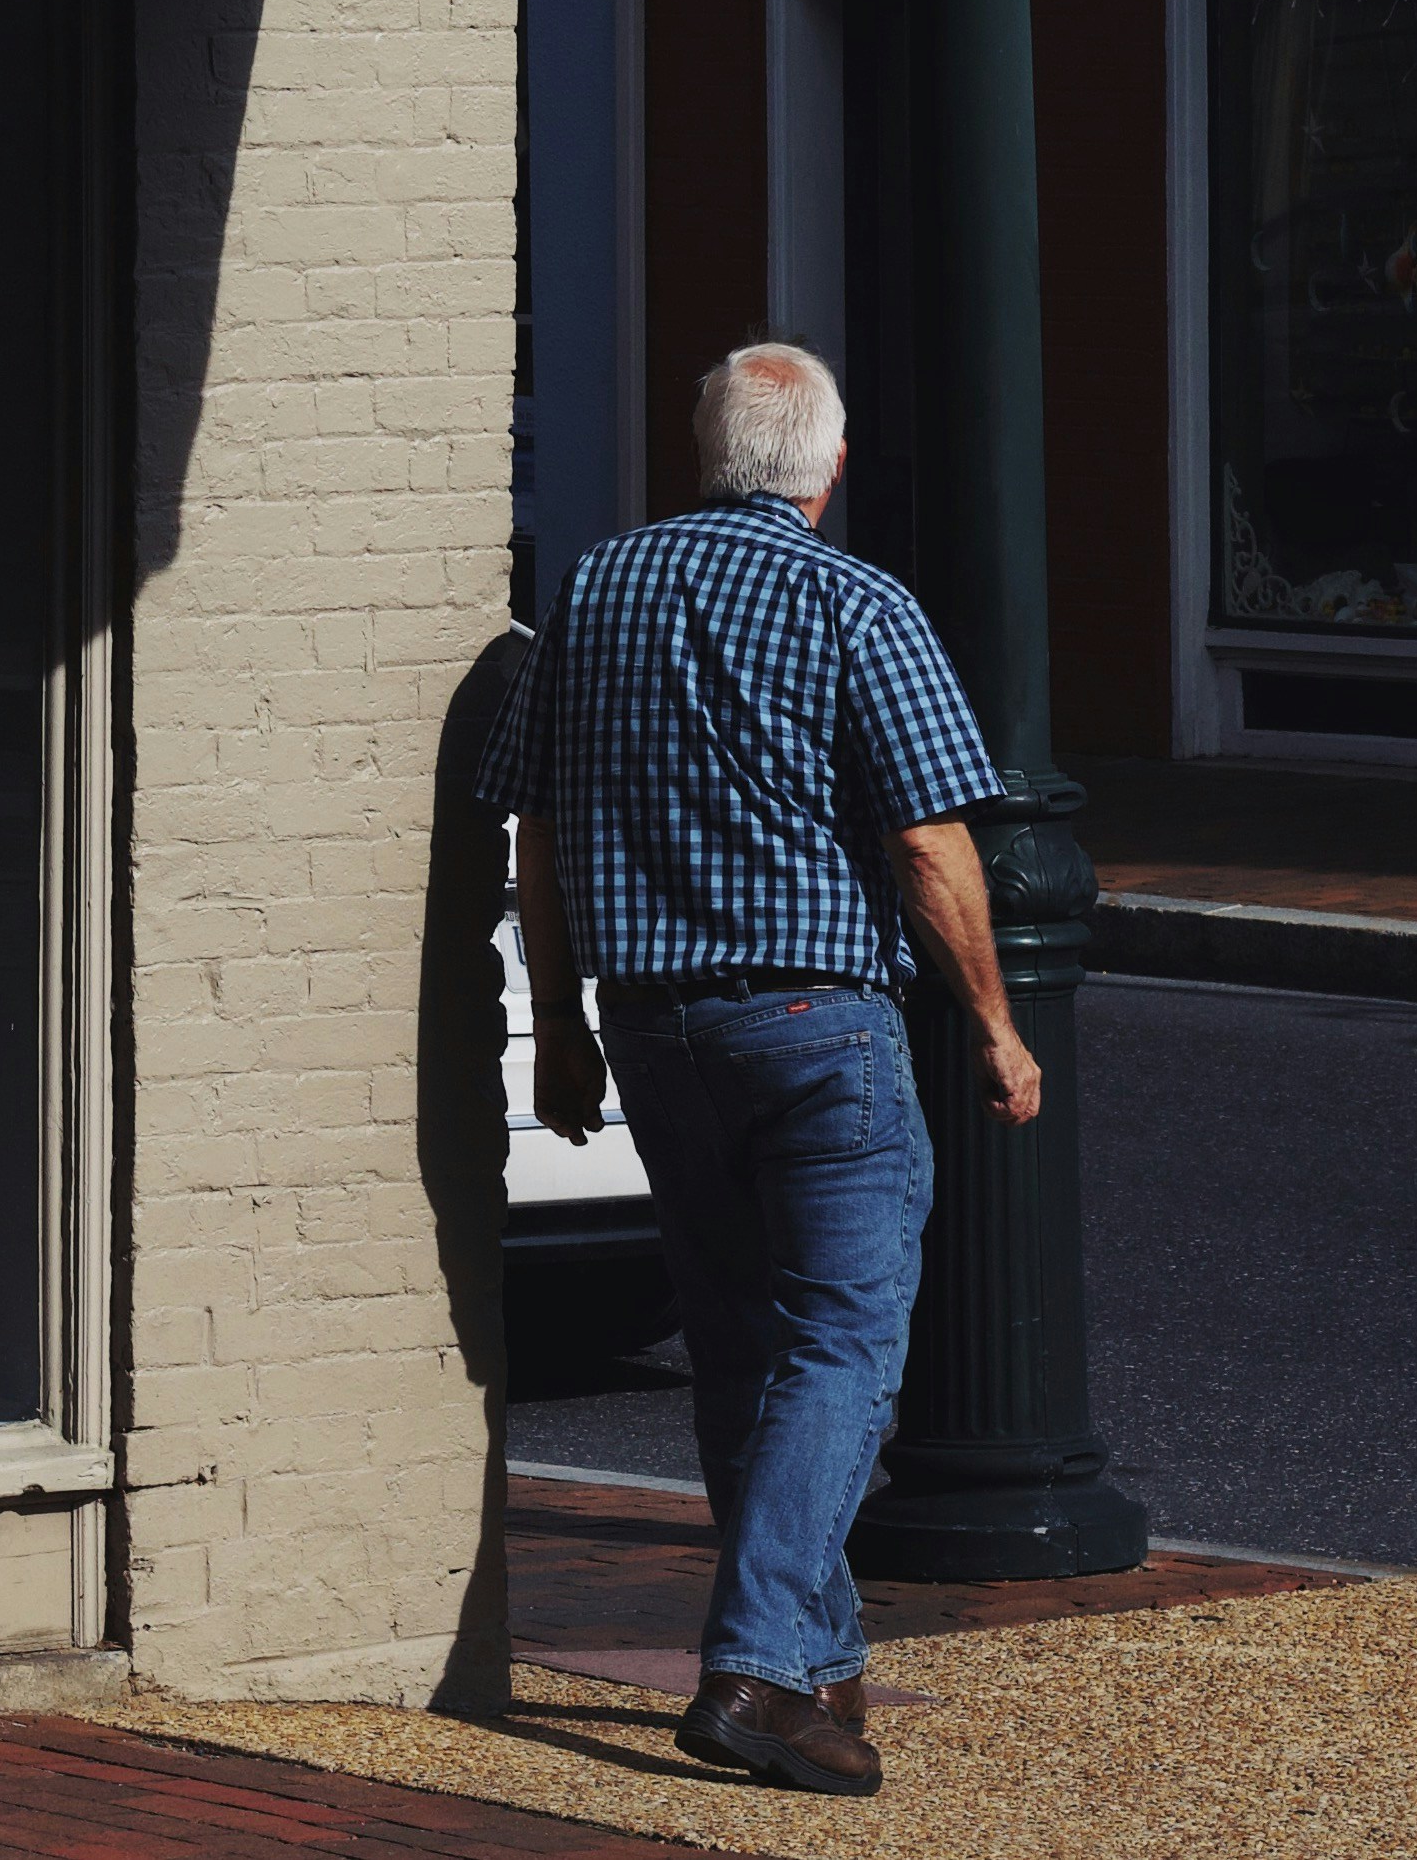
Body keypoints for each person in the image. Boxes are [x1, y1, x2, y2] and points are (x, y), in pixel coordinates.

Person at [475, 339, 1039, 1797]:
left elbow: (533, 828)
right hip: (819, 1026)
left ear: (701, 446)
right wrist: (994, 1021)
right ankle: (754, 1666)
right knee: (846, 1346)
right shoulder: (857, 598)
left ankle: (823, 1655)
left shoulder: (596, 587)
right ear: (830, 466)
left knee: (742, 1350)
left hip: (658, 1024)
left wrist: (566, 1020)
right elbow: (929, 841)